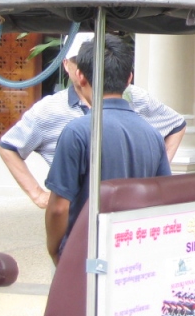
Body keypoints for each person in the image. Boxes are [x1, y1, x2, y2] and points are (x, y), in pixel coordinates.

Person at [0, 32, 184, 209]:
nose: (90, 68)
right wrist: (37, 194)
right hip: (78, 211)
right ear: (66, 65)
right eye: (79, 61)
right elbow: (9, 147)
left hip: (131, 208)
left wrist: (158, 167)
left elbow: (176, 124)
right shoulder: (48, 110)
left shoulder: (135, 97)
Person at [44, 35, 172, 263]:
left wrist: (55, 251)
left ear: (80, 76)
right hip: (135, 257)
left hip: (86, 257)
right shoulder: (153, 135)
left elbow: (58, 209)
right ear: (129, 78)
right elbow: (163, 201)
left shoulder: (77, 132)